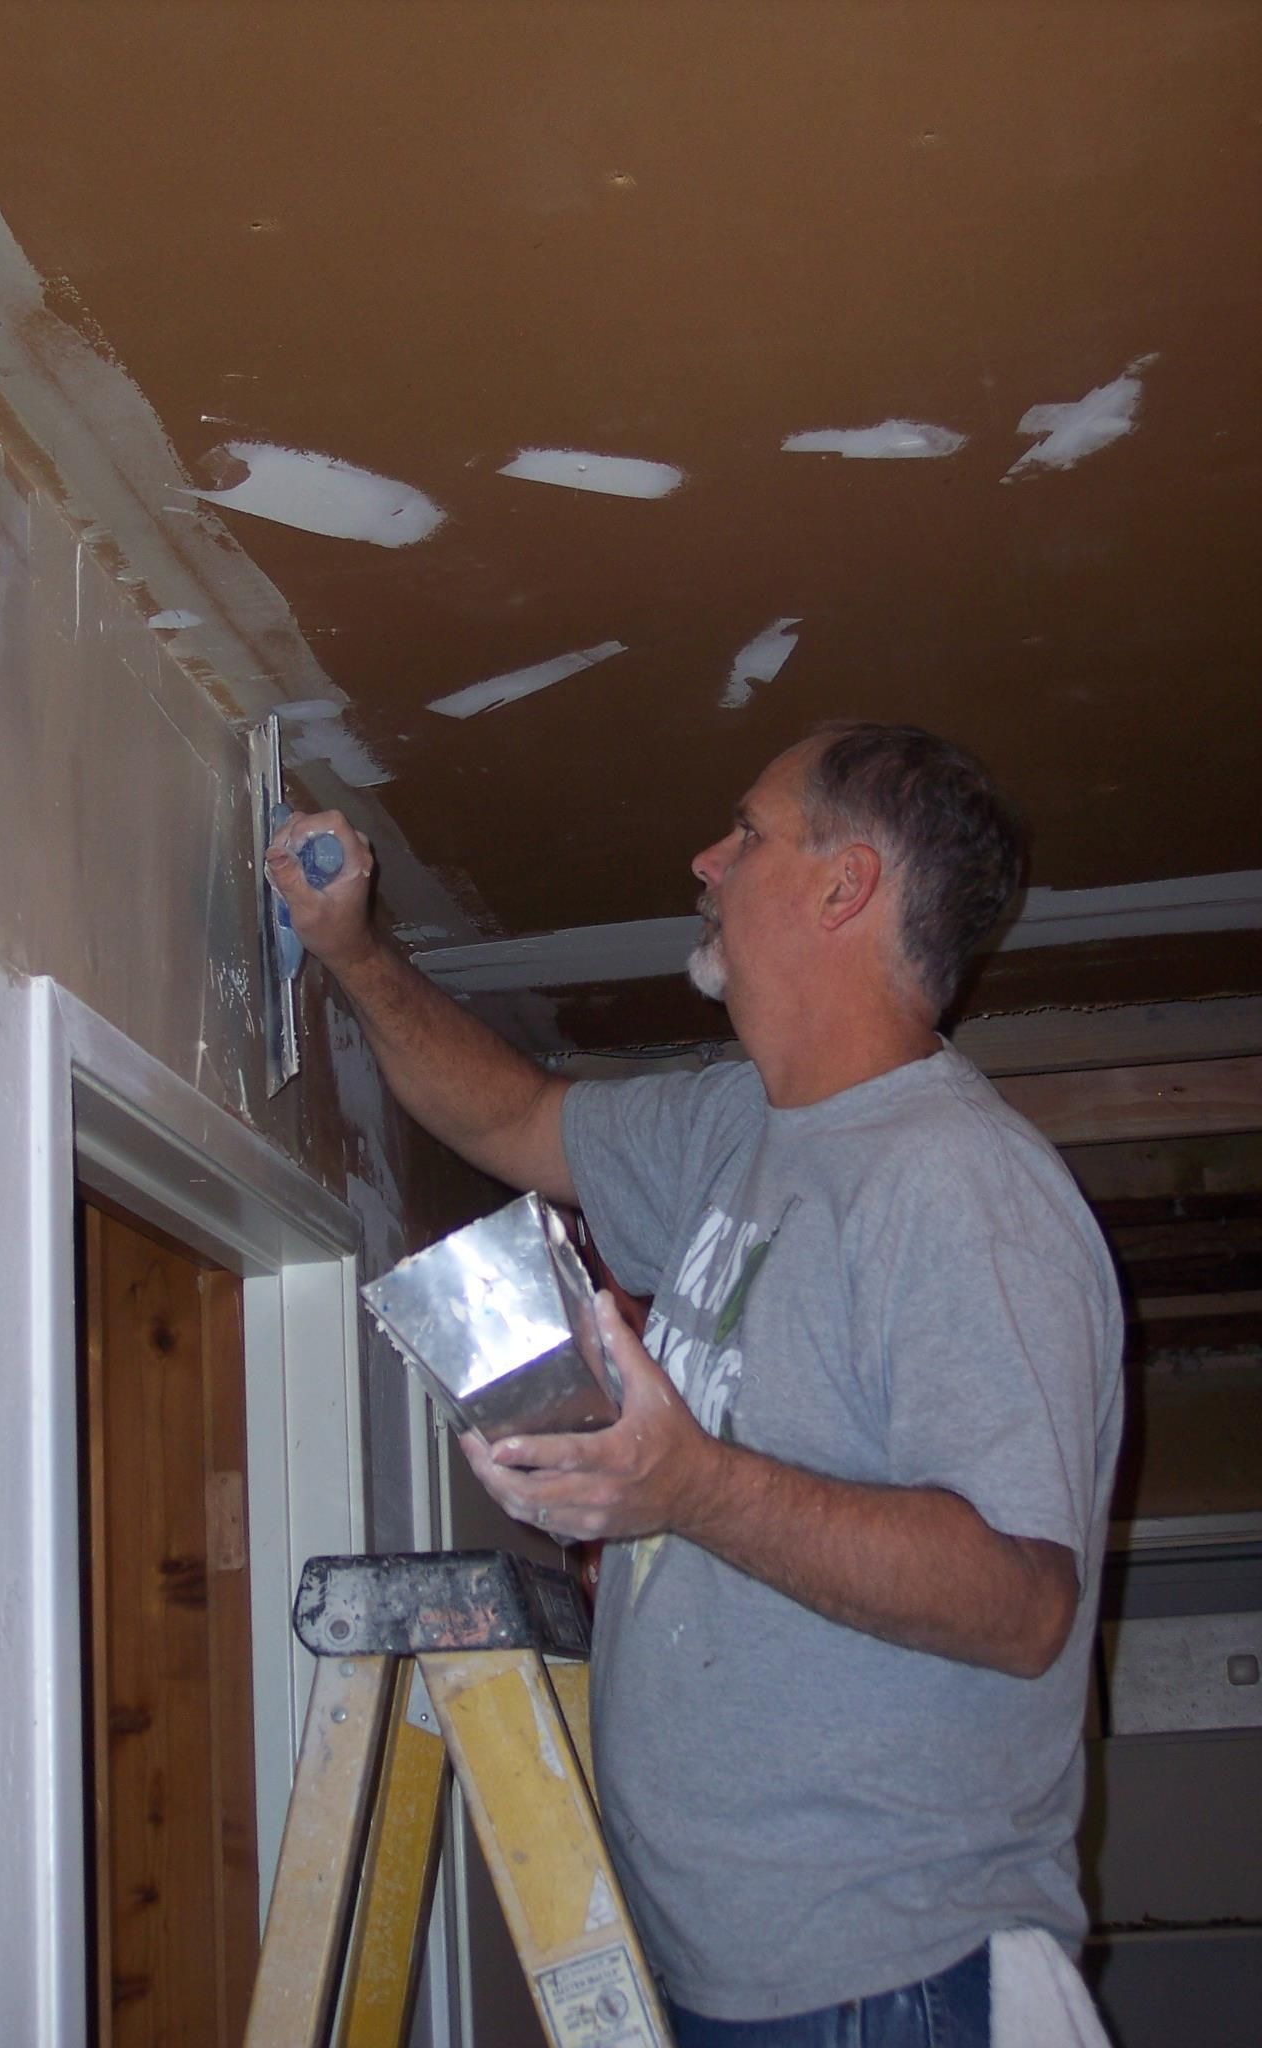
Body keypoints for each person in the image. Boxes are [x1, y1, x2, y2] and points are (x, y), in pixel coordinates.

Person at [267, 722, 1124, 2046]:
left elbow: (1022, 1604)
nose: (705, 857)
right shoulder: (738, 1130)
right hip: (725, 1977)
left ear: (841, 889)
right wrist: (355, 953)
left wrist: (694, 1487)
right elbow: (508, 1117)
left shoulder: (962, 1187)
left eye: (750, 830)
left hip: (899, 1982)